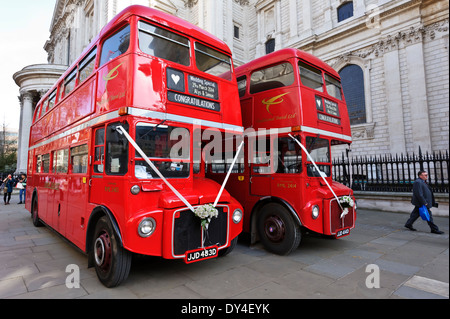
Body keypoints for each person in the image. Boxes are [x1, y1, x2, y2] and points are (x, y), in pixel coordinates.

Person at [405, 170, 443, 234]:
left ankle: (408, 224)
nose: (426, 176)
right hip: (422, 203)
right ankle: (434, 229)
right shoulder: (418, 182)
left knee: (415, 214)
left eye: (426, 175)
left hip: (422, 202)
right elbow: (419, 194)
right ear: (420, 176)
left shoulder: (422, 181)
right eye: (425, 175)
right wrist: (424, 202)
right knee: (428, 215)